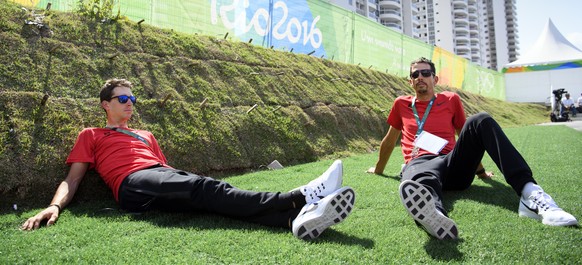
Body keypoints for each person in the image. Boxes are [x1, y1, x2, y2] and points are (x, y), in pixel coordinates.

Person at [21, 78, 356, 240]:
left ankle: (293, 221)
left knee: (210, 202)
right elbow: (73, 178)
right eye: (122, 98)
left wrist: (184, 182)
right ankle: (300, 196)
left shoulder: (145, 136)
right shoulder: (91, 134)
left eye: (132, 98)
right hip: (132, 185)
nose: (129, 103)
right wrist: (54, 206)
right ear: (105, 104)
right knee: (205, 187)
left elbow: (165, 170)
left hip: (156, 178)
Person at [367, 57, 578, 239]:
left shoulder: (451, 99)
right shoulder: (401, 104)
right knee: (419, 179)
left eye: (425, 73)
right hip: (419, 162)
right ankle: (434, 214)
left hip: (452, 162)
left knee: (481, 120)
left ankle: (530, 193)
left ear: (435, 78)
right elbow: (389, 140)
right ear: (410, 80)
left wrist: (480, 171)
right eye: (415, 74)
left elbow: (466, 134)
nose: (420, 77)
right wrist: (378, 169)